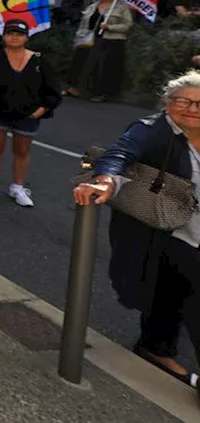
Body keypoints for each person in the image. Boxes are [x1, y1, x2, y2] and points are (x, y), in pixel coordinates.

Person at [73, 72, 200, 387]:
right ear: (166, 102)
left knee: (171, 295)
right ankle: (156, 348)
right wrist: (105, 180)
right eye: (182, 101)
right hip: (175, 230)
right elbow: (119, 153)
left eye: (199, 103)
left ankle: (155, 348)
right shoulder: (152, 131)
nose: (192, 109)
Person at [0, 19, 64, 207]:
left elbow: (53, 90)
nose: (14, 37)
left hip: (27, 116)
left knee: (22, 151)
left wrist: (42, 110)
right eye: (10, 33)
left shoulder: (39, 60)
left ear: (26, 37)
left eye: (19, 34)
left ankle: (18, 187)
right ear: (4, 36)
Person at [66, 0, 134, 102]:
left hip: (111, 41)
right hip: (90, 40)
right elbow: (83, 24)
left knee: (104, 67)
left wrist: (110, 27)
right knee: (82, 63)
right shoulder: (92, 7)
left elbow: (128, 25)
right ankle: (77, 89)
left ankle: (101, 93)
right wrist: (78, 40)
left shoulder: (121, 8)